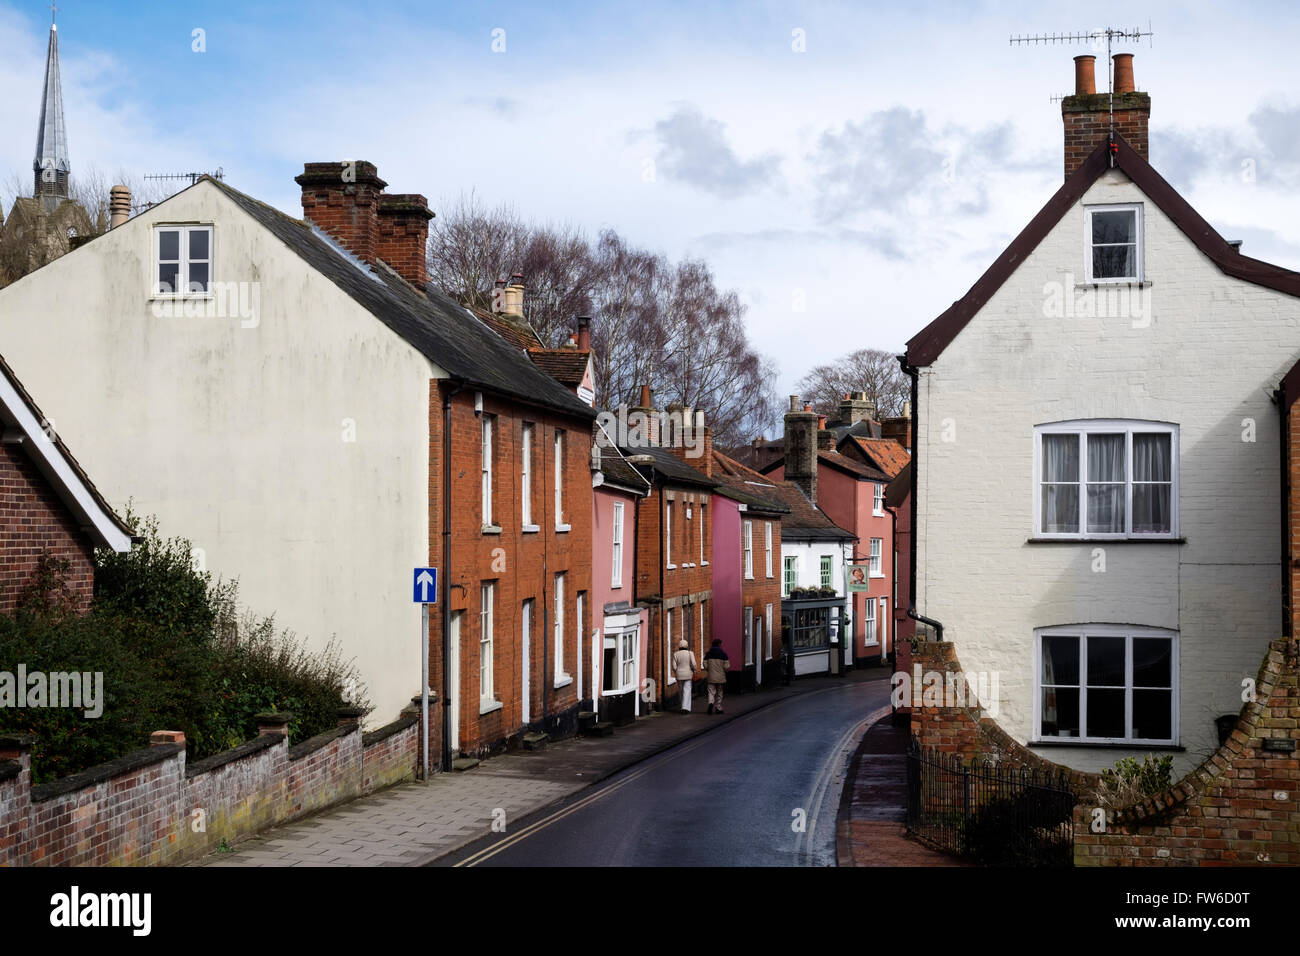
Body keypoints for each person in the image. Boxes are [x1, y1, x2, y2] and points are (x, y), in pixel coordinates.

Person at [671, 639, 699, 713]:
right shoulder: (690, 653)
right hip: (688, 674)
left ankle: (682, 707)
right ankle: (685, 708)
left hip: (679, 674)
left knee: (681, 691)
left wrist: (677, 671)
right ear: (686, 645)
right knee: (687, 690)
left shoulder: (675, 654)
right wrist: (695, 670)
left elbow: (674, 666)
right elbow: (694, 663)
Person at [704, 638, 730, 714]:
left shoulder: (708, 654)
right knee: (719, 692)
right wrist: (725, 670)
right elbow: (727, 667)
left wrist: (709, 669)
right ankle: (718, 707)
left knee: (711, 692)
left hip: (711, 676)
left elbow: (705, 665)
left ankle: (711, 703)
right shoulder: (724, 654)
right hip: (720, 677)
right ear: (719, 645)